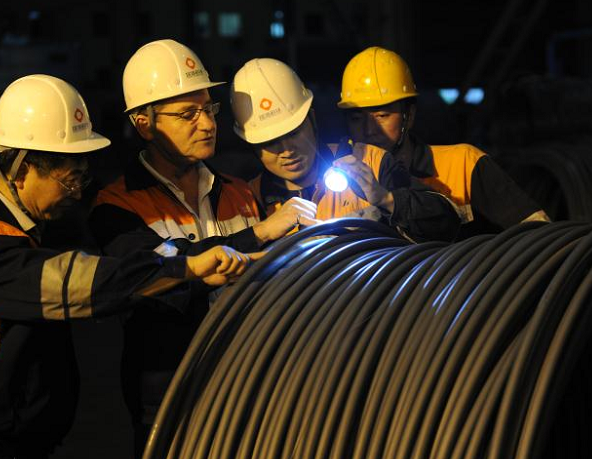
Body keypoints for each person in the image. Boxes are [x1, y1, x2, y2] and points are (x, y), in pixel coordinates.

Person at [0, 74, 259, 459]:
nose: (77, 194)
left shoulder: (15, 231)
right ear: (22, 168)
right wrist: (185, 269)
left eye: (81, 179)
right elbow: (78, 282)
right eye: (68, 182)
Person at [89, 39, 316, 457]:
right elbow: (155, 274)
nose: (208, 123)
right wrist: (257, 235)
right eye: (187, 114)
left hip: (248, 392)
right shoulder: (117, 206)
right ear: (144, 124)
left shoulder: (237, 192)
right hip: (170, 403)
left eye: (208, 108)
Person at [230, 57, 461, 242]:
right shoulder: (249, 198)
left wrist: (386, 198)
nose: (286, 150)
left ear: (312, 120)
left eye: (293, 133)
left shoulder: (370, 162)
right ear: (252, 145)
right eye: (269, 142)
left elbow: (448, 223)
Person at [337, 46, 549, 238]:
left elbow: (539, 236)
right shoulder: (337, 185)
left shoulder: (463, 164)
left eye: (382, 116)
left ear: (409, 117)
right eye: (356, 119)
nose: (369, 130)